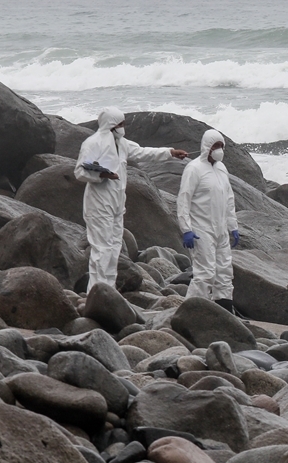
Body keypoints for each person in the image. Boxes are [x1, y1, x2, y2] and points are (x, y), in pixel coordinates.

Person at [75, 108, 187, 291]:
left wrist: (170, 153)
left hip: (117, 204)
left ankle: (107, 290)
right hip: (98, 204)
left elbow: (144, 152)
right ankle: (96, 291)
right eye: (120, 124)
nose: (123, 127)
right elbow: (79, 171)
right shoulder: (93, 143)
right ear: (111, 125)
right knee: (101, 249)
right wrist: (101, 174)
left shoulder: (122, 144)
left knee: (114, 248)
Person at [177, 129, 240, 312]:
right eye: (215, 146)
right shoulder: (194, 169)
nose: (219, 149)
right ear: (206, 147)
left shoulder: (221, 168)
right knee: (205, 273)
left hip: (221, 229)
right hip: (201, 229)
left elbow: (229, 199)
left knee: (224, 272)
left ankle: (225, 310)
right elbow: (183, 199)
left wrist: (232, 226)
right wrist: (186, 229)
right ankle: (191, 311)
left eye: (221, 146)